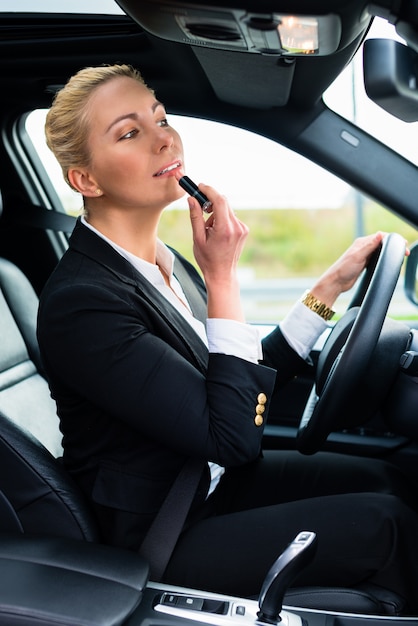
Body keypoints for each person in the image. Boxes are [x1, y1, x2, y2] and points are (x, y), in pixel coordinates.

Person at [37, 63, 418, 612]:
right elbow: (233, 434)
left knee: (389, 480)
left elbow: (234, 378)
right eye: (129, 132)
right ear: (86, 180)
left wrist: (328, 289)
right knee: (391, 526)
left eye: (160, 117)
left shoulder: (166, 264)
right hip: (165, 532)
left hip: (211, 484)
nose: (164, 137)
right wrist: (223, 277)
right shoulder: (83, 303)